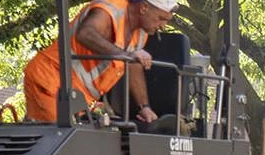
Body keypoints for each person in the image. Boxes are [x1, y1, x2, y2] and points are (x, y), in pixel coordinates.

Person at [24, 0, 177, 123]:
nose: (163, 26)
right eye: (161, 18)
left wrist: (144, 107)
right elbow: (85, 33)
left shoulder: (141, 34)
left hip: (76, 95)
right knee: (57, 142)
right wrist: (124, 55)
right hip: (50, 79)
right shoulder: (109, 9)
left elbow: (132, 66)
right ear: (143, 7)